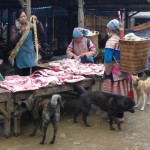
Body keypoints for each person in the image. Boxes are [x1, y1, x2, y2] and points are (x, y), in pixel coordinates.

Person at [101, 19, 134, 122]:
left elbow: (107, 60)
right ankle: (121, 116)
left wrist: (107, 73)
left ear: (110, 29)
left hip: (114, 73)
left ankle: (113, 116)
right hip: (124, 71)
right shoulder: (124, 39)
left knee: (112, 95)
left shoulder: (111, 42)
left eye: (108, 29)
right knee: (122, 94)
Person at [9, 9, 45, 76]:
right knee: (19, 78)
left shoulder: (30, 26)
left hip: (30, 55)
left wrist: (37, 22)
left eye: (24, 16)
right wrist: (20, 32)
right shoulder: (14, 28)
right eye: (21, 17)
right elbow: (12, 40)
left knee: (29, 76)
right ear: (17, 19)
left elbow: (41, 31)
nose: (23, 18)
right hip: (20, 56)